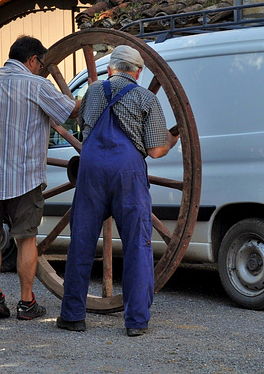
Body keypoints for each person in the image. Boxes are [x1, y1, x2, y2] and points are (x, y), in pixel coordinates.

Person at [57, 45, 179, 336]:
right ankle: (136, 321)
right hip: (128, 174)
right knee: (138, 245)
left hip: (91, 171)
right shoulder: (146, 97)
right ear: (138, 72)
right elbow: (155, 149)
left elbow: (82, 127)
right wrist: (172, 140)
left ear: (110, 69)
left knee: (82, 242)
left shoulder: (94, 92)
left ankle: (73, 315)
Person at [0, 35, 80, 320]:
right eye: (39, 63)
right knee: (26, 240)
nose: (40, 68)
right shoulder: (36, 84)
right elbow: (70, 111)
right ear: (32, 60)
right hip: (24, 178)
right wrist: (91, 96)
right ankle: (26, 303)